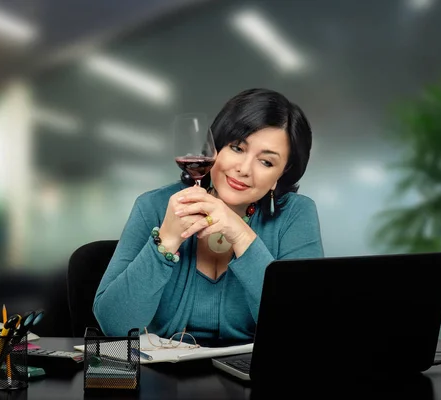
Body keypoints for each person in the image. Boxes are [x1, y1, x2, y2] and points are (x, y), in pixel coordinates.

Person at [93, 88, 324, 342]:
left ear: (281, 173)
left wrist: (240, 234)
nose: (243, 169)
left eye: (266, 162)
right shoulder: (154, 206)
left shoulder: (296, 215)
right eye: (237, 148)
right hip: (161, 376)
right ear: (215, 147)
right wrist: (167, 240)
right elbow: (114, 325)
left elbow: (302, 328)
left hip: (253, 377)